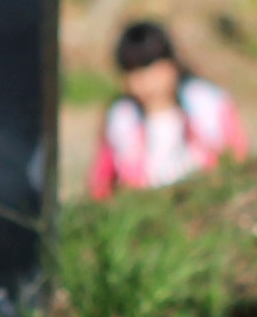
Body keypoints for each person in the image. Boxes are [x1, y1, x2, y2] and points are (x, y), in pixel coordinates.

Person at [90, 20, 246, 198]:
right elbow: (101, 184)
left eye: (150, 68)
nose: (144, 81)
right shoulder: (120, 120)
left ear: (171, 64)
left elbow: (236, 156)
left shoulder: (208, 104)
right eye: (134, 71)